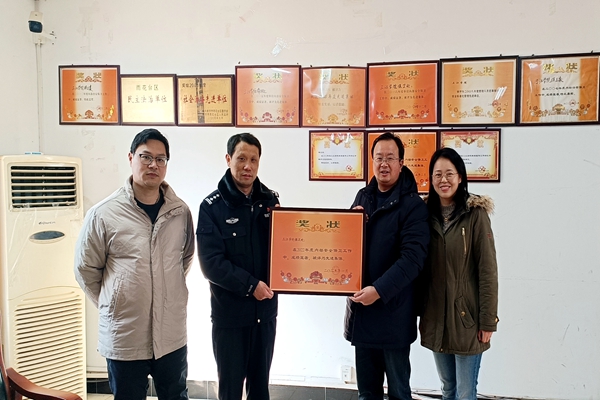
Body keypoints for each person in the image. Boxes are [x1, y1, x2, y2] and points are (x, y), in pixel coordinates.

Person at [74, 129, 195, 400]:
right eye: (146, 157)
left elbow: (184, 260)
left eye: (161, 159)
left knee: (176, 395)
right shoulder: (104, 214)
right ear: (131, 158)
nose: (153, 165)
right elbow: (85, 269)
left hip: (171, 335)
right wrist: (114, 301)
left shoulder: (180, 212)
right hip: (124, 335)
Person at [344, 132, 429, 400]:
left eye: (390, 158)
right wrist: (351, 225)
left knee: (399, 393)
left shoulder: (413, 206)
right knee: (367, 393)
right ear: (371, 161)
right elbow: (346, 249)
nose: (384, 164)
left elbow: (412, 260)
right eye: (379, 158)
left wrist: (378, 291)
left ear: (401, 163)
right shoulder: (363, 196)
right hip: (362, 312)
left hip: (394, 314)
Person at [196, 132, 280, 400]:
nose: (248, 166)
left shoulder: (270, 202)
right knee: (230, 390)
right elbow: (211, 264)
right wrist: (251, 286)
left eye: (254, 160)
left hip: (265, 314)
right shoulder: (212, 207)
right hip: (230, 317)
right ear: (228, 159)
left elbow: (284, 250)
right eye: (241, 158)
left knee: (260, 389)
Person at [419, 147, 499, 400]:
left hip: (467, 318)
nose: (443, 180)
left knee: (465, 393)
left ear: (460, 177)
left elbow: (488, 271)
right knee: (447, 389)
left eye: (449, 173)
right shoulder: (424, 215)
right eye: (437, 174)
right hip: (436, 318)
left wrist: (488, 321)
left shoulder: (475, 214)